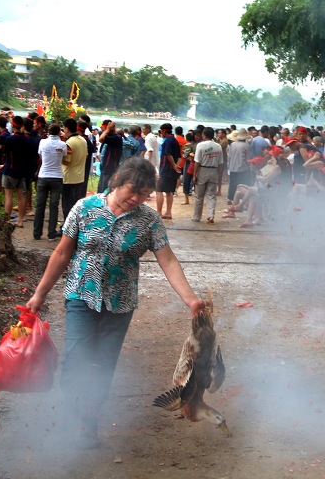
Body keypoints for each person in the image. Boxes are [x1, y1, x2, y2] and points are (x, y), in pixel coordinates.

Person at [25, 157, 205, 449]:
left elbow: (168, 260)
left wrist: (191, 299)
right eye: (132, 191)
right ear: (118, 180)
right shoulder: (84, 208)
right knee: (76, 360)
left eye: (144, 194)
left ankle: (89, 422)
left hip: (119, 303)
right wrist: (39, 293)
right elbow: (61, 254)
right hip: (81, 295)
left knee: (103, 364)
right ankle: (72, 415)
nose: (136, 199)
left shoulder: (149, 220)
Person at [33, 123, 67, 240]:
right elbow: (63, 160)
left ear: (48, 132)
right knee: (54, 205)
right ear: (59, 132)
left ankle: (37, 233)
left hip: (43, 175)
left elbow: (41, 157)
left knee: (40, 205)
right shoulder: (63, 144)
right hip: (57, 177)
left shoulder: (42, 142)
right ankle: (51, 232)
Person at [192, 127, 224, 224]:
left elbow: (197, 162)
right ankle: (211, 215)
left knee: (199, 196)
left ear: (204, 135)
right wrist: (220, 175)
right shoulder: (218, 146)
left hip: (202, 170)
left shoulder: (200, 145)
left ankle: (197, 217)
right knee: (211, 195)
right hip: (214, 170)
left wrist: (194, 175)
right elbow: (221, 163)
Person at [62, 118, 88, 222]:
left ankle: (67, 226)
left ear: (66, 129)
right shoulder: (83, 140)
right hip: (79, 177)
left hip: (68, 178)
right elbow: (85, 155)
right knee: (76, 204)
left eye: (64, 128)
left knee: (67, 205)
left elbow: (67, 161)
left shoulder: (69, 143)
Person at [156, 122, 181, 219]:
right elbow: (179, 156)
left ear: (163, 131)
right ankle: (168, 212)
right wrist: (176, 166)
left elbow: (168, 154)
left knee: (159, 190)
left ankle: (159, 212)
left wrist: (174, 165)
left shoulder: (167, 141)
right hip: (172, 171)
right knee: (169, 191)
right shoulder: (175, 140)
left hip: (166, 169)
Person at [226, 128, 251, 203]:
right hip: (242, 167)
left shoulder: (232, 145)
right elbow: (247, 158)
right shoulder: (246, 146)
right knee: (241, 184)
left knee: (232, 183)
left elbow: (229, 156)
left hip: (233, 167)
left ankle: (230, 198)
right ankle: (239, 199)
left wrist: (229, 165)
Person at [97, 120, 123, 193]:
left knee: (105, 191)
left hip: (110, 168)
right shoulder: (108, 137)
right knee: (100, 190)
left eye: (103, 128)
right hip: (104, 167)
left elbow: (101, 139)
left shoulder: (117, 137)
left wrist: (108, 129)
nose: (102, 130)